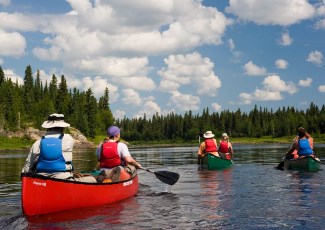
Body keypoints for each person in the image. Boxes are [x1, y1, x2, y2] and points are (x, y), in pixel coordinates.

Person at [22, 113, 97, 183]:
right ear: (62, 127)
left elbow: (28, 164)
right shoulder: (68, 139)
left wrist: (24, 175)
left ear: (48, 127)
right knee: (93, 179)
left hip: (41, 179)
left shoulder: (37, 142)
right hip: (64, 179)